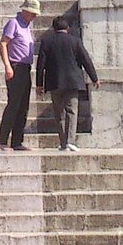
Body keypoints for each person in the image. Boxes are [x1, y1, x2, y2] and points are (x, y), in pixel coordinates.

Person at [35, 16, 100, 151]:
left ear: (53, 28)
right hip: (72, 82)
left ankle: (63, 142)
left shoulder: (47, 41)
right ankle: (70, 140)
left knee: (59, 113)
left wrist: (39, 84)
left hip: (54, 82)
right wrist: (94, 78)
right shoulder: (75, 41)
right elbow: (85, 60)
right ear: (67, 28)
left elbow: (40, 64)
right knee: (71, 110)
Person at [0, 0, 40, 151]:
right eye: (32, 13)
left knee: (23, 106)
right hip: (15, 66)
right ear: (25, 11)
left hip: (26, 68)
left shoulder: (27, 27)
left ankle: (17, 141)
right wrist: (7, 66)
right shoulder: (13, 23)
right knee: (13, 104)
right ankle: (2, 140)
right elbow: (2, 43)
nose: (34, 16)